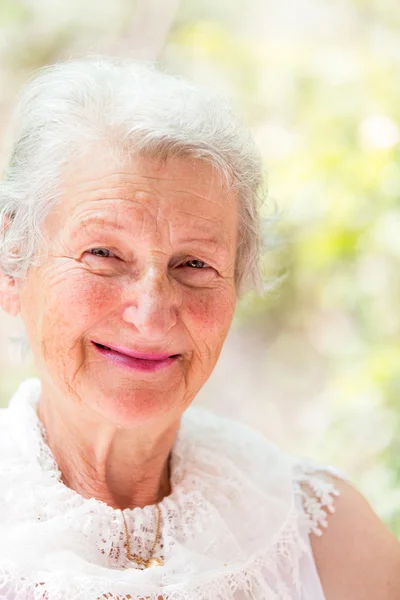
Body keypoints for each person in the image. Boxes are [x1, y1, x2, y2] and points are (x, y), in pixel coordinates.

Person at [0, 56, 398, 600]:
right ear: (13, 266)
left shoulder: (323, 538)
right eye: (103, 253)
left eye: (194, 265)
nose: (150, 310)